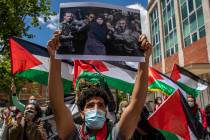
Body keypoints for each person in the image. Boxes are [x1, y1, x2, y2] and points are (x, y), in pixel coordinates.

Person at [47, 30, 152, 139]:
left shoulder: (116, 134)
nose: (96, 109)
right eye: (90, 105)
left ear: (106, 112)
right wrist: (54, 58)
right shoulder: (73, 134)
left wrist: (144, 60)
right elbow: (57, 104)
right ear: (82, 113)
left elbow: (136, 103)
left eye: (101, 105)